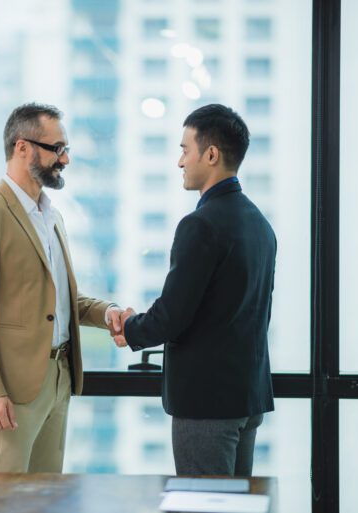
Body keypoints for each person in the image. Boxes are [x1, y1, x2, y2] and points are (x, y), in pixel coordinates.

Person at [0, 102, 124, 473]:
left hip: (59, 379)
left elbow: (61, 299)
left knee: (47, 499)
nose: (65, 160)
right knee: (2, 502)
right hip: (11, 389)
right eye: (57, 149)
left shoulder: (53, 217)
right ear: (22, 147)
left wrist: (107, 312)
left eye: (66, 150)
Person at [114, 104, 276, 477]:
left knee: (203, 502)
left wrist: (131, 328)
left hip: (206, 404)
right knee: (233, 504)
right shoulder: (260, 225)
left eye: (185, 150)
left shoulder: (201, 225)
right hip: (245, 398)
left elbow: (173, 314)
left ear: (212, 155)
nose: (180, 162)